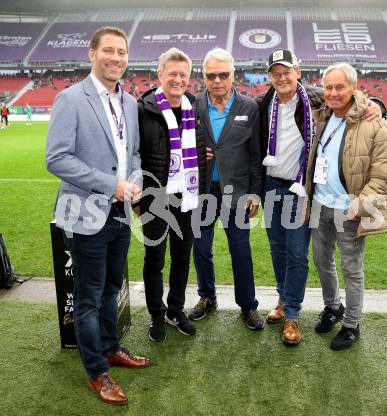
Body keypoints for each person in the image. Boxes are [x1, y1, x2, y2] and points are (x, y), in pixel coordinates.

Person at [46, 26, 149, 405]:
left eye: (122, 52)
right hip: (86, 212)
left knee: (111, 288)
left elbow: (133, 155)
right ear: (92, 54)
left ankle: (110, 347)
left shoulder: (130, 102)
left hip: (120, 212)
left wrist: (133, 182)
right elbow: (56, 158)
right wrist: (110, 185)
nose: (116, 58)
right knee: (87, 297)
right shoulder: (70, 99)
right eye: (109, 50)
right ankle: (96, 371)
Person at [255, 49, 382, 346]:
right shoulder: (263, 103)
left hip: (301, 189)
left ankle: (294, 315)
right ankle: (284, 299)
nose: (282, 77)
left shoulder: (314, 99)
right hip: (272, 186)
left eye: (286, 71)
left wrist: (375, 104)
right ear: (270, 77)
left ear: (297, 71)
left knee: (298, 253)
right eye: (276, 72)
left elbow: (349, 98)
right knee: (277, 249)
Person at [306, 63, 387, 350]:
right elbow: (286, 90)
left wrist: (359, 205)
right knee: (322, 261)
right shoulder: (321, 115)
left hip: (350, 209)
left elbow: (385, 176)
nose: (333, 93)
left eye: (339, 87)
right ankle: (333, 307)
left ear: (353, 88)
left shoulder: (375, 124)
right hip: (320, 204)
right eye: (328, 87)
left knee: (352, 269)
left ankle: (351, 324)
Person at [188, 48, 264, 330]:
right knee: (201, 248)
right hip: (203, 191)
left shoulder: (249, 107)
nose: (217, 80)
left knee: (240, 250)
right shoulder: (191, 104)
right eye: (211, 75)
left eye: (223, 74)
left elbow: (255, 154)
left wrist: (255, 191)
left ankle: (248, 305)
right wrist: (196, 154)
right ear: (204, 77)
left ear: (234, 75)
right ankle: (207, 297)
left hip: (238, 190)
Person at [137, 48, 206, 342]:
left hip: (187, 196)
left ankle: (175, 309)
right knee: (155, 258)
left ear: (189, 78)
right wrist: (139, 197)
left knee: (182, 257)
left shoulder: (194, 107)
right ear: (160, 74)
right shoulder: (144, 109)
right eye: (173, 73)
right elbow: (134, 156)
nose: (178, 79)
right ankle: (156, 314)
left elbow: (199, 154)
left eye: (183, 74)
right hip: (155, 196)